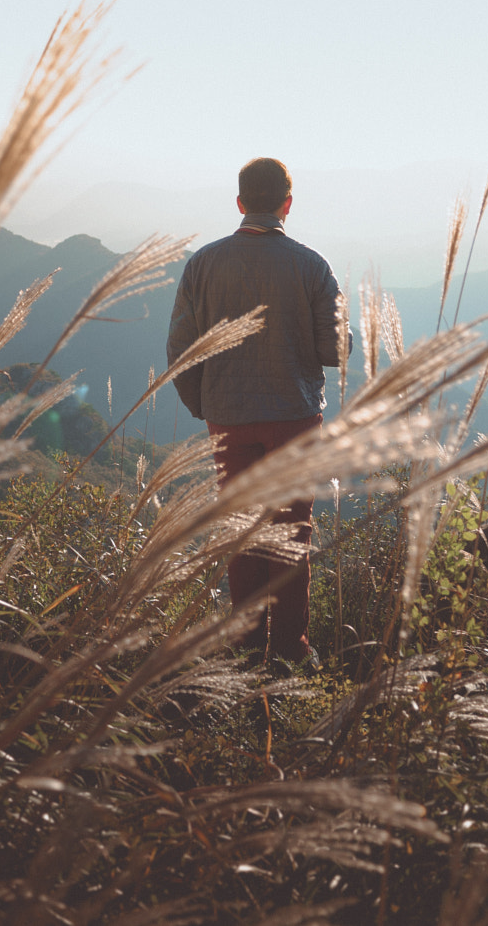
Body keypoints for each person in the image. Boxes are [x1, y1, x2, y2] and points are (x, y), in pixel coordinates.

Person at [167, 156, 342, 666]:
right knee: (291, 538)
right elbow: (336, 349)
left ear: (240, 203)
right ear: (288, 204)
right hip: (294, 415)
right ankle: (289, 652)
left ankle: (244, 647)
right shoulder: (313, 266)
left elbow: (181, 350)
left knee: (241, 533)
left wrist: (203, 404)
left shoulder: (203, 263)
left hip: (229, 418)